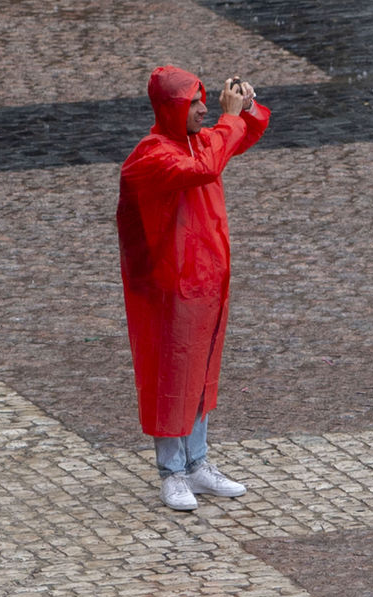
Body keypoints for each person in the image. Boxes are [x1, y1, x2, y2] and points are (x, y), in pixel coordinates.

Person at [116, 65, 270, 511]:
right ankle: (172, 472)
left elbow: (239, 138)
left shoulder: (198, 141)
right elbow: (205, 167)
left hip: (205, 280)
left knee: (198, 374)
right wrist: (231, 117)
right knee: (170, 373)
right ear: (171, 108)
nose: (204, 109)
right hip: (169, 285)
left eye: (206, 101)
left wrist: (248, 107)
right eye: (194, 103)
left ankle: (197, 462)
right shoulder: (153, 155)